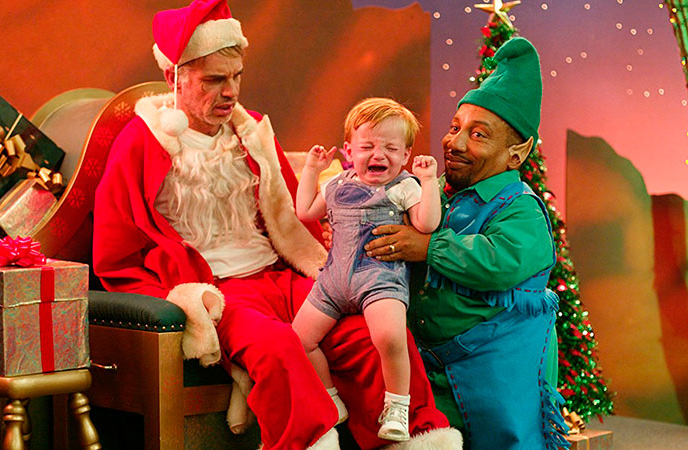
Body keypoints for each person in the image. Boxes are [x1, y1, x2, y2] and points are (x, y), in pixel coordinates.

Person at [92, 1, 461, 449]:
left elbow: (292, 215)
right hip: (219, 291)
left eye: (236, 76)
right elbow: (116, 255)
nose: (230, 92)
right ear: (176, 77)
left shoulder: (250, 132)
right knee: (279, 348)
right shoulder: (142, 142)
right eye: (214, 80)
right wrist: (185, 304)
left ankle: (415, 439)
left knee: (371, 334)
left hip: (280, 276)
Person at [363, 38, 570, 449]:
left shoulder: (522, 209)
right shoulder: (435, 192)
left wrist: (428, 247)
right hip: (435, 368)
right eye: (455, 127)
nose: (455, 143)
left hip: (496, 377)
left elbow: (498, 263)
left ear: (516, 153)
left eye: (478, 135)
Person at [293, 98, 441, 442]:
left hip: (379, 279)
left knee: (390, 337)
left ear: (405, 155)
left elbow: (427, 223)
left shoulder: (403, 186)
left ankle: (397, 406)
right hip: (333, 282)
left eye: (391, 148)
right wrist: (313, 170)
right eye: (367, 147)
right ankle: (330, 398)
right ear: (349, 151)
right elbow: (305, 212)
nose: (379, 155)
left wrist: (428, 180)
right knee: (299, 340)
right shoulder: (336, 184)